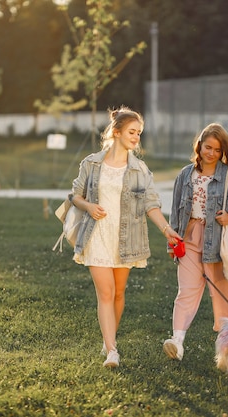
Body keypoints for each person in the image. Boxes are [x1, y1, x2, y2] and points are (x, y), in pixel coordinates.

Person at [69, 106, 182, 368]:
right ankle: (112, 351)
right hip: (97, 235)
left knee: (119, 293)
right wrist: (88, 207)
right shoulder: (91, 163)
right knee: (106, 293)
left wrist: (166, 230)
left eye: (139, 133)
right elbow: (75, 194)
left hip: (126, 238)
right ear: (116, 132)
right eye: (132, 132)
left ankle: (109, 339)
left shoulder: (140, 169)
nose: (136, 138)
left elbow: (151, 204)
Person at [163, 123, 228, 361]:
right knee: (186, 291)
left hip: (218, 242)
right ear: (199, 146)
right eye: (207, 147)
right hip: (190, 239)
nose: (211, 153)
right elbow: (175, 211)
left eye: (216, 149)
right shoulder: (185, 175)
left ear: (222, 150)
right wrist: (173, 242)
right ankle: (177, 342)